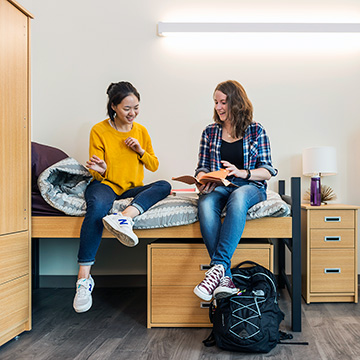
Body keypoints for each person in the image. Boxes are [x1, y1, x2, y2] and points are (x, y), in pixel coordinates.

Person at [73, 81, 171, 313]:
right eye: (127, 108)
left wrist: (140, 151)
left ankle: (125, 217)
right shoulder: (99, 130)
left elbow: (154, 165)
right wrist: (101, 166)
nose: (132, 113)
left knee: (164, 185)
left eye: (136, 107)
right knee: (96, 208)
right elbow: (95, 170)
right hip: (106, 184)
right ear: (114, 106)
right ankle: (83, 279)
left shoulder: (141, 131)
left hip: (131, 188)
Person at [193, 80, 277, 301]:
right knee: (205, 202)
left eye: (223, 102)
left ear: (237, 103)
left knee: (238, 198)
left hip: (250, 186)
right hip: (221, 186)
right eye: (216, 102)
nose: (218, 107)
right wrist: (203, 179)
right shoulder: (210, 132)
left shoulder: (256, 130)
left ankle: (218, 266)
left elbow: (268, 170)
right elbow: (202, 165)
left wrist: (242, 172)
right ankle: (224, 278)